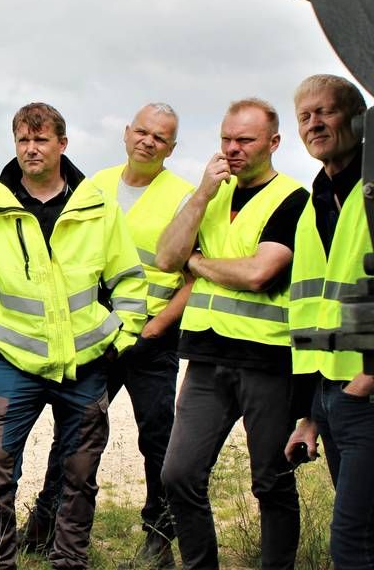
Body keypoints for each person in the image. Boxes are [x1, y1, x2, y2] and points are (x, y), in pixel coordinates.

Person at [0, 102, 147, 570]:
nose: (31, 148)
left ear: (62, 144)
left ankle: (69, 560)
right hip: (11, 366)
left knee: (80, 475)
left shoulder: (98, 208)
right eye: (23, 139)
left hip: (85, 366)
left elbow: (129, 282)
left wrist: (118, 340)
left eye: (41, 140)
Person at [20, 103, 194, 569]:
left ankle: (158, 539)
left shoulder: (184, 196)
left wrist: (156, 326)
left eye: (160, 137)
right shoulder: (93, 185)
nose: (148, 141)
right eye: (141, 131)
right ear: (125, 133)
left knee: (157, 439)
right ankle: (45, 523)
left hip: (152, 341)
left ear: (171, 148)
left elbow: (194, 277)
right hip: (98, 337)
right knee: (73, 433)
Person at [155, 98, 308, 570]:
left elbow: (260, 272)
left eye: (245, 140)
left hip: (267, 359)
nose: (233, 149)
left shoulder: (294, 199)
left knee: (272, 481)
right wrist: (201, 194)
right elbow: (166, 256)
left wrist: (197, 263)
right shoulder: (211, 194)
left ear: (273, 143)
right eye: (226, 139)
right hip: (205, 358)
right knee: (178, 474)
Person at [284, 74, 373, 569]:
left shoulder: (371, 190)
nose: (314, 123)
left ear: (358, 119)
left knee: (352, 544)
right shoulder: (313, 203)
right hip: (331, 395)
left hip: (365, 391)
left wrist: (368, 378)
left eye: (326, 112)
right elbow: (310, 313)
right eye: (305, 115)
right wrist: (309, 414)